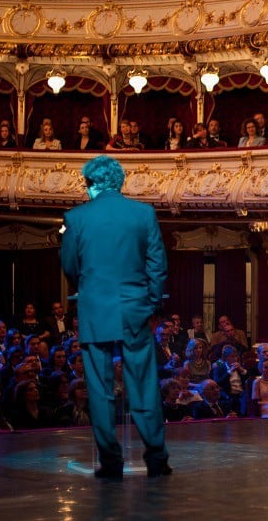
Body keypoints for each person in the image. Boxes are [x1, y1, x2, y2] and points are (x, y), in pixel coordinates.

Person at [60, 155, 171, 479]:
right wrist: (148, 303)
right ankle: (157, 459)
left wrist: (90, 287)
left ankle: (110, 462)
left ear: (91, 183)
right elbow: (157, 266)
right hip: (134, 307)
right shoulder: (143, 214)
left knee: (100, 389)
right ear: (119, 181)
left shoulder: (76, 217)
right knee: (145, 385)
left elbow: (69, 266)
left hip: (95, 308)